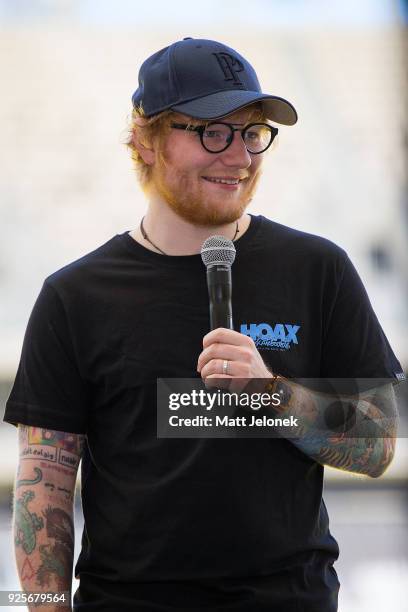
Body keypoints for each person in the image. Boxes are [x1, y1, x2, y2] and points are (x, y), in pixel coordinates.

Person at [4, 37, 404, 612]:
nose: (238, 157)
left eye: (252, 133)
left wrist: (272, 396)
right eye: (212, 131)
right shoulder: (75, 296)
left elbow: (377, 444)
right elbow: (44, 486)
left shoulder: (319, 268)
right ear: (146, 137)